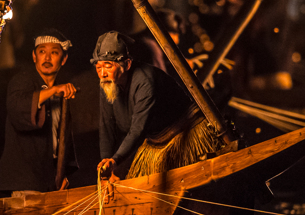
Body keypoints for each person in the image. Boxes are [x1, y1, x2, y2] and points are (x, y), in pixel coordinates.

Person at [93, 31, 220, 182]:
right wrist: (106, 161)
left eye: (108, 66)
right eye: (98, 67)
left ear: (126, 64)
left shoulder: (145, 81)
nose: (102, 74)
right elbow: (106, 124)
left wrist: (116, 162)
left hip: (183, 132)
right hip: (154, 141)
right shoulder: (107, 83)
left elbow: (138, 129)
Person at [0, 29, 78, 195]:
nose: (47, 58)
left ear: (63, 59)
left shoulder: (61, 92)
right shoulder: (22, 81)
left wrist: (61, 173)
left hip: (50, 181)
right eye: (42, 52)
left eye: (54, 53)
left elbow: (60, 139)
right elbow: (18, 109)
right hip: (25, 181)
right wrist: (52, 91)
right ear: (34, 56)